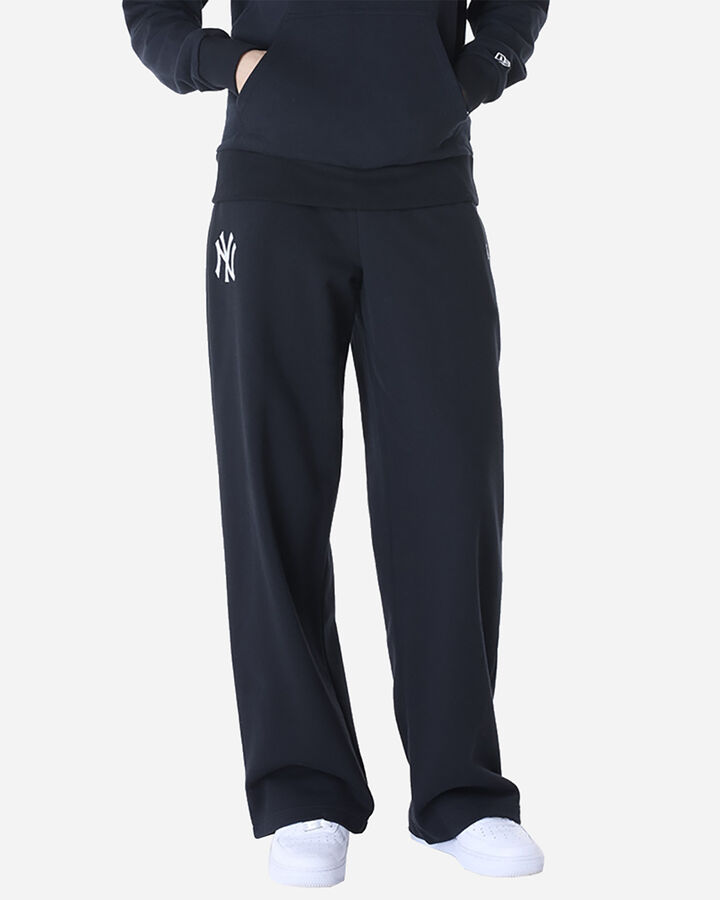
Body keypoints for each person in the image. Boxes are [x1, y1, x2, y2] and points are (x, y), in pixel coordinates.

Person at [123, 0, 549, 886]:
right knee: (272, 490)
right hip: (271, 189)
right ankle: (303, 789)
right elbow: (152, 10)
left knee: (450, 494)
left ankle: (460, 791)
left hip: (426, 185)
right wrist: (220, 62)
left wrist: (487, 64)